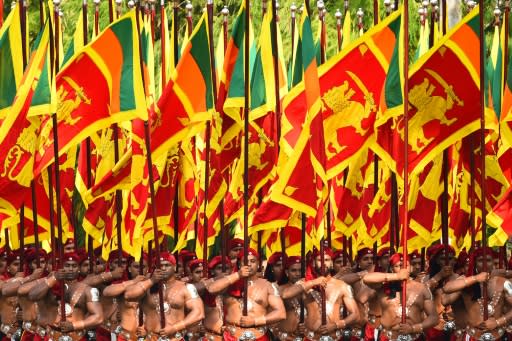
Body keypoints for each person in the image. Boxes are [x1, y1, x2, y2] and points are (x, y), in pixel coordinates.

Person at [124, 251, 204, 340]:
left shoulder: (186, 287)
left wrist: (175, 327)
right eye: (160, 266)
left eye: (167, 265)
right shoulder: (147, 287)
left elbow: (199, 313)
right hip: (151, 337)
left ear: (175, 267)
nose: (163, 268)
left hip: (175, 338)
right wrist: (152, 281)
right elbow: (128, 295)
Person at [28, 252, 104, 341]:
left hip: (77, 337)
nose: (70, 269)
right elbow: (33, 296)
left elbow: (98, 317)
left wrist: (74, 326)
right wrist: (54, 278)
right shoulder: (49, 287)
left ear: (79, 268)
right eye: (67, 265)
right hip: (51, 337)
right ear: (60, 267)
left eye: (74, 266)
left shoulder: (88, 290)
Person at [363, 253, 438, 341]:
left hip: (415, 338)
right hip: (388, 338)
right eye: (398, 266)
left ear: (410, 268)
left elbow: (434, 318)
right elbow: (366, 278)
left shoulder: (422, 288)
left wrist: (413, 328)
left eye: (406, 265)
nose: (403, 269)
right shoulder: (383, 287)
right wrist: (397, 276)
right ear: (391, 268)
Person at [443, 247, 512, 341]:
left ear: (493, 263)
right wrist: (475, 278)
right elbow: (446, 290)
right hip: (472, 336)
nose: (484, 263)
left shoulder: (503, 282)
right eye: (480, 260)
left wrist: (497, 322)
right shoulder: (466, 281)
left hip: (498, 336)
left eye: (488, 260)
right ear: (474, 263)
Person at [217, 248, 285, 341]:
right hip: (231, 337)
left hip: (259, 337)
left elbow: (281, 313)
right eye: (245, 261)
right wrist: (238, 275)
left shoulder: (268, 286)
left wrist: (255, 321)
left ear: (258, 264)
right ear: (239, 264)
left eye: (252, 261)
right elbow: (211, 289)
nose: (249, 264)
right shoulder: (229, 283)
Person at [303, 248, 359, 340]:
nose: (323, 263)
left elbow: (355, 314)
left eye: (327, 260)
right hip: (311, 338)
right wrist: (313, 283)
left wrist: (336, 325)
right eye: (320, 260)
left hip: (335, 337)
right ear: (313, 263)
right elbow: (286, 295)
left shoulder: (342, 285)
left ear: (332, 263)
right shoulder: (305, 284)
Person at [272, 256, 327, 340]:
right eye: (293, 270)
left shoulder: (312, 290)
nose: (297, 273)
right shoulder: (280, 289)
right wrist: (286, 337)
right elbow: (284, 295)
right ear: (287, 272)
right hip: (287, 338)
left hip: (310, 337)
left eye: (300, 270)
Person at [102, 254, 148, 341]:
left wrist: (147, 330)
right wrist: (134, 281)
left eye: (143, 266)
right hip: (125, 336)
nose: (140, 269)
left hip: (148, 336)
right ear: (129, 269)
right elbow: (107, 292)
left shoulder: (153, 287)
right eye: (136, 266)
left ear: (147, 268)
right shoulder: (123, 285)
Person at [0, 250, 22, 340]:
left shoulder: (28, 281)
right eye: (16, 264)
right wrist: (19, 279)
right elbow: (4, 289)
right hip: (4, 331)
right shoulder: (2, 281)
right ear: (8, 267)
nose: (19, 267)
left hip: (23, 330)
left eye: (21, 264)